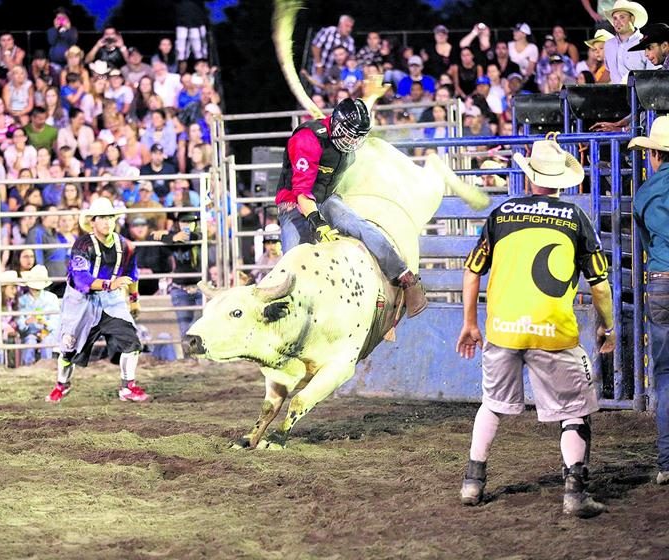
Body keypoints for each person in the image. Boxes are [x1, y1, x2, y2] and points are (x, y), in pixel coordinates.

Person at [456, 136, 615, 518]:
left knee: (492, 404)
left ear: (529, 179)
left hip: (504, 329)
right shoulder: (576, 218)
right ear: (562, 182)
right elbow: (600, 285)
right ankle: (575, 492)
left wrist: (469, 323)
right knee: (574, 410)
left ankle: (472, 482)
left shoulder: (501, 213)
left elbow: (472, 269)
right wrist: (606, 327)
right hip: (553, 332)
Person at [273, 94, 427, 318]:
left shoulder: (345, 135)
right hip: (295, 203)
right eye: (348, 134)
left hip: (326, 198)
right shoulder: (307, 140)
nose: (351, 142)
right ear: (336, 124)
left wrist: (371, 97)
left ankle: (406, 278)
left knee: (360, 226)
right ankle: (281, 311)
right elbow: (301, 193)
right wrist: (318, 223)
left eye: (356, 137)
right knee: (292, 262)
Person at [45, 197, 147, 403]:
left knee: (131, 341)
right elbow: (81, 278)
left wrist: (134, 299)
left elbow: (131, 275)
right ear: (93, 221)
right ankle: (62, 384)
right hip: (81, 302)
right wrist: (111, 284)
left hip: (111, 302)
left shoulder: (127, 247)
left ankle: (128, 386)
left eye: (110, 217)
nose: (107, 222)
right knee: (67, 348)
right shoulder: (82, 245)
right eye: (102, 218)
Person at [629, 116, 669, 485]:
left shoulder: (645, 192)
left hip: (660, 281)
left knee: (666, 374)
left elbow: (644, 241)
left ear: (655, 154)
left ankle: (667, 462)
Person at [161, 212, 203, 337]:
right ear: (178, 223)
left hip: (200, 288)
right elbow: (155, 238)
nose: (187, 225)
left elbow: (193, 236)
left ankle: (200, 355)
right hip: (180, 289)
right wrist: (171, 238)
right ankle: (188, 356)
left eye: (190, 222)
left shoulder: (201, 235)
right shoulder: (174, 239)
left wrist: (171, 237)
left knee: (201, 325)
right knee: (184, 328)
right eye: (184, 222)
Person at [17, 264, 60, 365]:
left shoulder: (51, 298)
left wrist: (45, 324)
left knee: (47, 341)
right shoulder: (21, 300)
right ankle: (27, 368)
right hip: (29, 333)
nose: (35, 289)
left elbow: (56, 321)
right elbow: (19, 322)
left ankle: (46, 367)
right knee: (30, 341)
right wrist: (26, 322)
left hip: (49, 332)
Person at [603, 0, 655, 84]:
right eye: (615, 18)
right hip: (616, 94)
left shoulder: (646, 43)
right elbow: (608, 71)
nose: (617, 22)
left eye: (622, 17)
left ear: (632, 18)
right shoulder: (608, 45)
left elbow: (653, 76)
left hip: (639, 95)